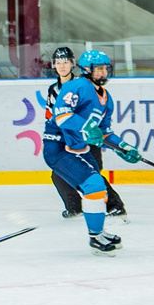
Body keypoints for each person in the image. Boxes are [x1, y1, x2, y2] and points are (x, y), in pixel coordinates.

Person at [47, 47, 133, 253]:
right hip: (59, 146)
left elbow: (104, 132)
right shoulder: (77, 86)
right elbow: (61, 114)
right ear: (86, 69)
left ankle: (98, 232)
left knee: (98, 188)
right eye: (98, 69)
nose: (103, 72)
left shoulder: (106, 98)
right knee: (94, 184)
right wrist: (86, 127)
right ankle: (95, 236)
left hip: (80, 148)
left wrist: (123, 146)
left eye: (105, 68)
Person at [40, 48, 86, 218]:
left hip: (83, 139)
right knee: (58, 173)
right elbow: (50, 116)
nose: (62, 66)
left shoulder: (81, 85)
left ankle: (113, 205)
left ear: (72, 63)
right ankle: (74, 207)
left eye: (65, 62)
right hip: (64, 139)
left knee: (90, 173)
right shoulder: (53, 90)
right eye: (58, 62)